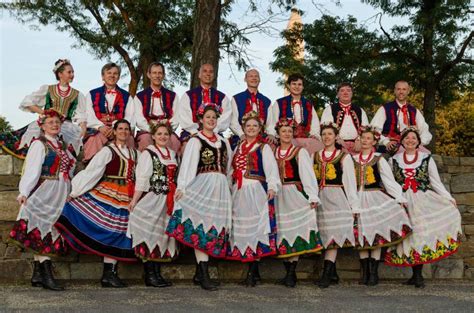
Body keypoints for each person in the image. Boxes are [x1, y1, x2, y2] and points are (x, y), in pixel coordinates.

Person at [56, 119, 137, 288]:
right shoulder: (107, 151)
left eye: (126, 129)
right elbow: (92, 172)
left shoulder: (135, 153)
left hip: (128, 195)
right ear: (114, 132)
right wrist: (74, 192)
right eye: (120, 129)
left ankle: (110, 273)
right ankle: (108, 275)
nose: (123, 132)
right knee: (111, 230)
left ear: (130, 133)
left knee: (121, 232)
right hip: (110, 193)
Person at [166, 103, 232, 291]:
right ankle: (203, 275)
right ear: (201, 120)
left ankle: (198, 273)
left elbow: (228, 168)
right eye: (208, 117)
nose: (211, 120)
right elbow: (188, 166)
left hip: (219, 188)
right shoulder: (196, 141)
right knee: (201, 225)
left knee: (213, 225)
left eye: (214, 117)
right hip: (202, 186)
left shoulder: (223, 141)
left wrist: (227, 187)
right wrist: (183, 187)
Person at [385, 127, 462, 288]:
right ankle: (415, 275)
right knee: (408, 236)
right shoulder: (394, 160)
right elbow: (391, 184)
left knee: (420, 234)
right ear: (402, 142)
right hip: (403, 202)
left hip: (422, 200)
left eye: (413, 138)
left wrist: (448, 198)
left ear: (418, 141)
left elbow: (436, 182)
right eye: (407, 138)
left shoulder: (426, 158)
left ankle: (418, 276)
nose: (410, 141)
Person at [8, 110, 76, 291]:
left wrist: (70, 190)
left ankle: (37, 275)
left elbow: (69, 171)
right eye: (51, 122)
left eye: (57, 122)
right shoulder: (39, 144)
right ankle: (47, 275)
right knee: (42, 228)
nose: (54, 125)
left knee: (52, 227)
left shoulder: (62, 145)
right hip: (45, 190)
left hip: (60, 192)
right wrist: (24, 191)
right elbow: (31, 169)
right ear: (43, 126)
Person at [352, 126, 412, 286]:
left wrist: (399, 197)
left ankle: (373, 273)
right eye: (363, 138)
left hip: (375, 198)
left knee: (376, 232)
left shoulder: (379, 159)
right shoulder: (352, 160)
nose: (365, 141)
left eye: (368, 139)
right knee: (362, 234)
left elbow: (388, 181)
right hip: (357, 198)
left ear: (374, 142)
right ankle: (365, 273)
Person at [227, 111, 281, 287]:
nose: (251, 128)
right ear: (243, 128)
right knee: (242, 227)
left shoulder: (264, 148)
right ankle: (252, 270)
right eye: (248, 126)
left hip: (256, 190)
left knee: (256, 229)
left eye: (255, 126)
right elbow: (230, 170)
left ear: (260, 129)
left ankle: (252, 272)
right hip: (239, 191)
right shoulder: (238, 147)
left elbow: (272, 170)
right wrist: (228, 187)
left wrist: (272, 186)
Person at [0, 59, 87, 159]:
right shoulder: (48, 89)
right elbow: (27, 102)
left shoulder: (77, 94)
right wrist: (45, 112)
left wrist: (83, 129)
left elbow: (81, 115)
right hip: (48, 121)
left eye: (73, 72)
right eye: (69, 72)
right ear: (60, 74)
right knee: (35, 133)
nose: (72, 74)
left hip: (66, 125)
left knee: (67, 141)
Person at [273, 118, 323, 288]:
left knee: (296, 229)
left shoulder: (299, 151)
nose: (286, 134)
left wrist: (312, 195)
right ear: (278, 134)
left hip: (294, 193)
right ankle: (288, 271)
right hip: (278, 196)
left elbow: (307, 174)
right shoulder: (273, 152)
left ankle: (291, 272)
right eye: (283, 131)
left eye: (289, 131)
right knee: (282, 231)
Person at [127, 120, 177, 287]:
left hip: (168, 200)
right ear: (153, 136)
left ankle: (156, 273)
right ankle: (149, 275)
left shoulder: (172, 154)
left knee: (162, 234)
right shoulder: (148, 153)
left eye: (166, 134)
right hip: (154, 198)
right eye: (159, 134)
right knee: (150, 233)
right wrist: (135, 201)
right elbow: (142, 178)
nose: (163, 137)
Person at [313, 122, 359, 288]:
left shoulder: (343, 157)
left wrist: (354, 205)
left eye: (330, 134)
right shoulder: (315, 155)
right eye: (324, 134)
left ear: (335, 137)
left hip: (337, 197)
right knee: (324, 233)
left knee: (333, 234)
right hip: (320, 197)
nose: (326, 137)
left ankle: (326, 274)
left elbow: (350, 182)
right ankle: (333, 274)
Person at [83, 63, 135, 162]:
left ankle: (127, 168)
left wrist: (116, 128)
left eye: (115, 73)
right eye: (109, 73)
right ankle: (91, 167)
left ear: (119, 77)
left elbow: (130, 116)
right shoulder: (92, 94)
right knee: (94, 138)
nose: (112, 75)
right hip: (99, 129)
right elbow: (88, 114)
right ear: (103, 76)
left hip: (119, 129)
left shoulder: (127, 96)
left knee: (129, 139)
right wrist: (100, 127)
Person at [267, 73, 322, 154]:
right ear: (289, 86)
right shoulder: (279, 103)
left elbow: (315, 124)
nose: (297, 87)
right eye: (294, 84)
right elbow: (272, 123)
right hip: (286, 140)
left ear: (303, 87)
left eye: (299, 84)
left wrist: (314, 135)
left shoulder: (308, 104)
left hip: (305, 142)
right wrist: (273, 135)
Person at [371, 80, 432, 154]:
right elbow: (373, 130)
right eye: (398, 89)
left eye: (404, 89)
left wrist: (417, 142)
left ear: (408, 91)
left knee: (427, 155)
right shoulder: (385, 109)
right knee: (403, 153)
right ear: (395, 91)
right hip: (390, 146)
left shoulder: (414, 111)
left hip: (411, 146)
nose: (401, 92)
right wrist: (386, 142)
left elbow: (425, 131)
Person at [177, 63, 231, 143]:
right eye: (205, 71)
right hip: (191, 133)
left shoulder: (223, 98)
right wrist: (195, 132)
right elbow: (184, 117)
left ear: (214, 75)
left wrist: (213, 131)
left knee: (224, 148)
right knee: (187, 147)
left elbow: (225, 117)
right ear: (199, 75)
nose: (208, 74)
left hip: (215, 133)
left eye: (211, 71)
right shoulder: (188, 96)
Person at [133, 62, 181, 152]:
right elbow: (139, 119)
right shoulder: (139, 96)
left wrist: (165, 130)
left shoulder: (173, 96)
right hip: (148, 130)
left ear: (163, 75)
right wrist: (153, 130)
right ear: (148, 74)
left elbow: (176, 117)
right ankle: (144, 165)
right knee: (145, 140)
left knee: (174, 141)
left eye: (160, 73)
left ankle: (172, 165)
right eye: (154, 73)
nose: (157, 76)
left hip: (167, 129)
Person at [320, 82, 369, 154]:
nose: (345, 93)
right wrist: (339, 141)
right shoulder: (329, 109)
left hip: (358, 146)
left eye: (348, 90)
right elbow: (325, 128)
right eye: (342, 90)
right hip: (335, 145)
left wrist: (359, 140)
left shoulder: (359, 110)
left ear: (352, 94)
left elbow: (366, 128)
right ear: (337, 94)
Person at [229, 69, 273, 149]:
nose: (254, 78)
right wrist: (241, 134)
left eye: (256, 76)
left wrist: (271, 134)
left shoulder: (266, 101)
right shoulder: (236, 99)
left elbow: (270, 123)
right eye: (251, 76)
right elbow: (233, 121)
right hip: (242, 137)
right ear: (245, 79)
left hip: (261, 139)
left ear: (259, 80)